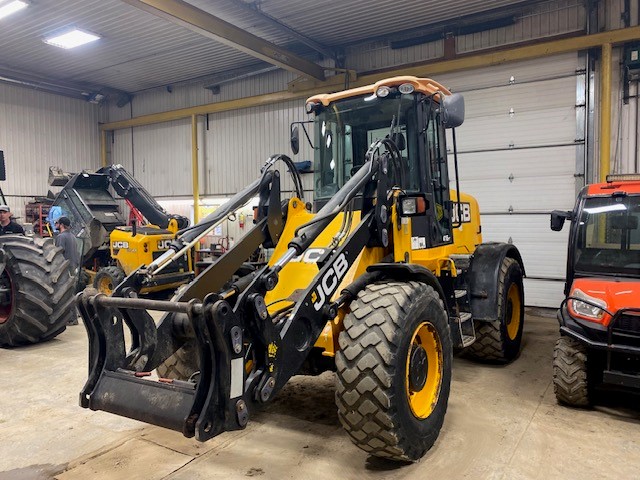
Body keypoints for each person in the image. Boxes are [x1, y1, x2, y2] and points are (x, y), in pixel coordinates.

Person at [55, 216, 80, 325]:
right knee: (71, 292)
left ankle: (72, 318)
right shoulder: (73, 237)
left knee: (66, 294)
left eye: (57, 223)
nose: (55, 225)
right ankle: (74, 316)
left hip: (64, 268)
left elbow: (58, 253)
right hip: (73, 266)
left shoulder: (61, 237)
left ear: (61, 225)